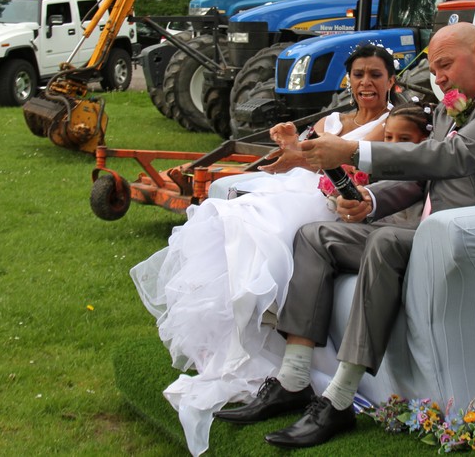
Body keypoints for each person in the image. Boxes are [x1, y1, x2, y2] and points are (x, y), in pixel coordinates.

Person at [213, 22, 475, 448]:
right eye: (435, 69)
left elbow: (454, 156)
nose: (439, 78)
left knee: (386, 240)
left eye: (445, 65)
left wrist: (354, 151)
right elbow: (423, 177)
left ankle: (339, 399)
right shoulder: (449, 108)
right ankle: (293, 379)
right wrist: (370, 201)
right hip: (430, 233)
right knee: (315, 235)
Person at [130, 43, 398, 456]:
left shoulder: (389, 123)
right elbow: (303, 158)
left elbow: (338, 161)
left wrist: (299, 154)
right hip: (302, 186)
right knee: (231, 216)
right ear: (348, 80)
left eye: (375, 75)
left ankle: (269, 341)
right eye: (359, 74)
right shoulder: (330, 120)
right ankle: (246, 345)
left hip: (335, 196)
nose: (366, 83)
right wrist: (290, 145)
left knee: (266, 224)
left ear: (391, 80)